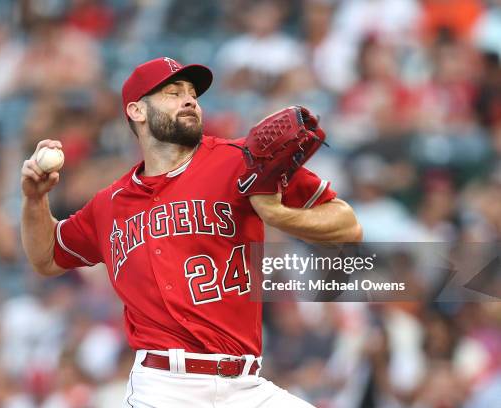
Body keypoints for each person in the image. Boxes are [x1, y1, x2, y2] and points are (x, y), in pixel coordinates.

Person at [21, 57, 362, 407]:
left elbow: (348, 226)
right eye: (173, 92)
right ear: (137, 111)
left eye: (192, 94)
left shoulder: (240, 160)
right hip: (164, 387)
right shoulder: (109, 205)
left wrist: (278, 215)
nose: (189, 100)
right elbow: (47, 257)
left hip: (246, 385)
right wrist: (35, 201)